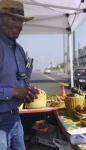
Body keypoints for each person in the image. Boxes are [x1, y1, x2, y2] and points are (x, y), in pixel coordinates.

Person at [0, 0, 39, 149]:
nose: (18, 25)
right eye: (13, 18)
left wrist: (27, 92)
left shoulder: (20, 50)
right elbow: (16, 90)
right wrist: (16, 92)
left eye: (21, 20)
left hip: (15, 119)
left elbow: (22, 80)